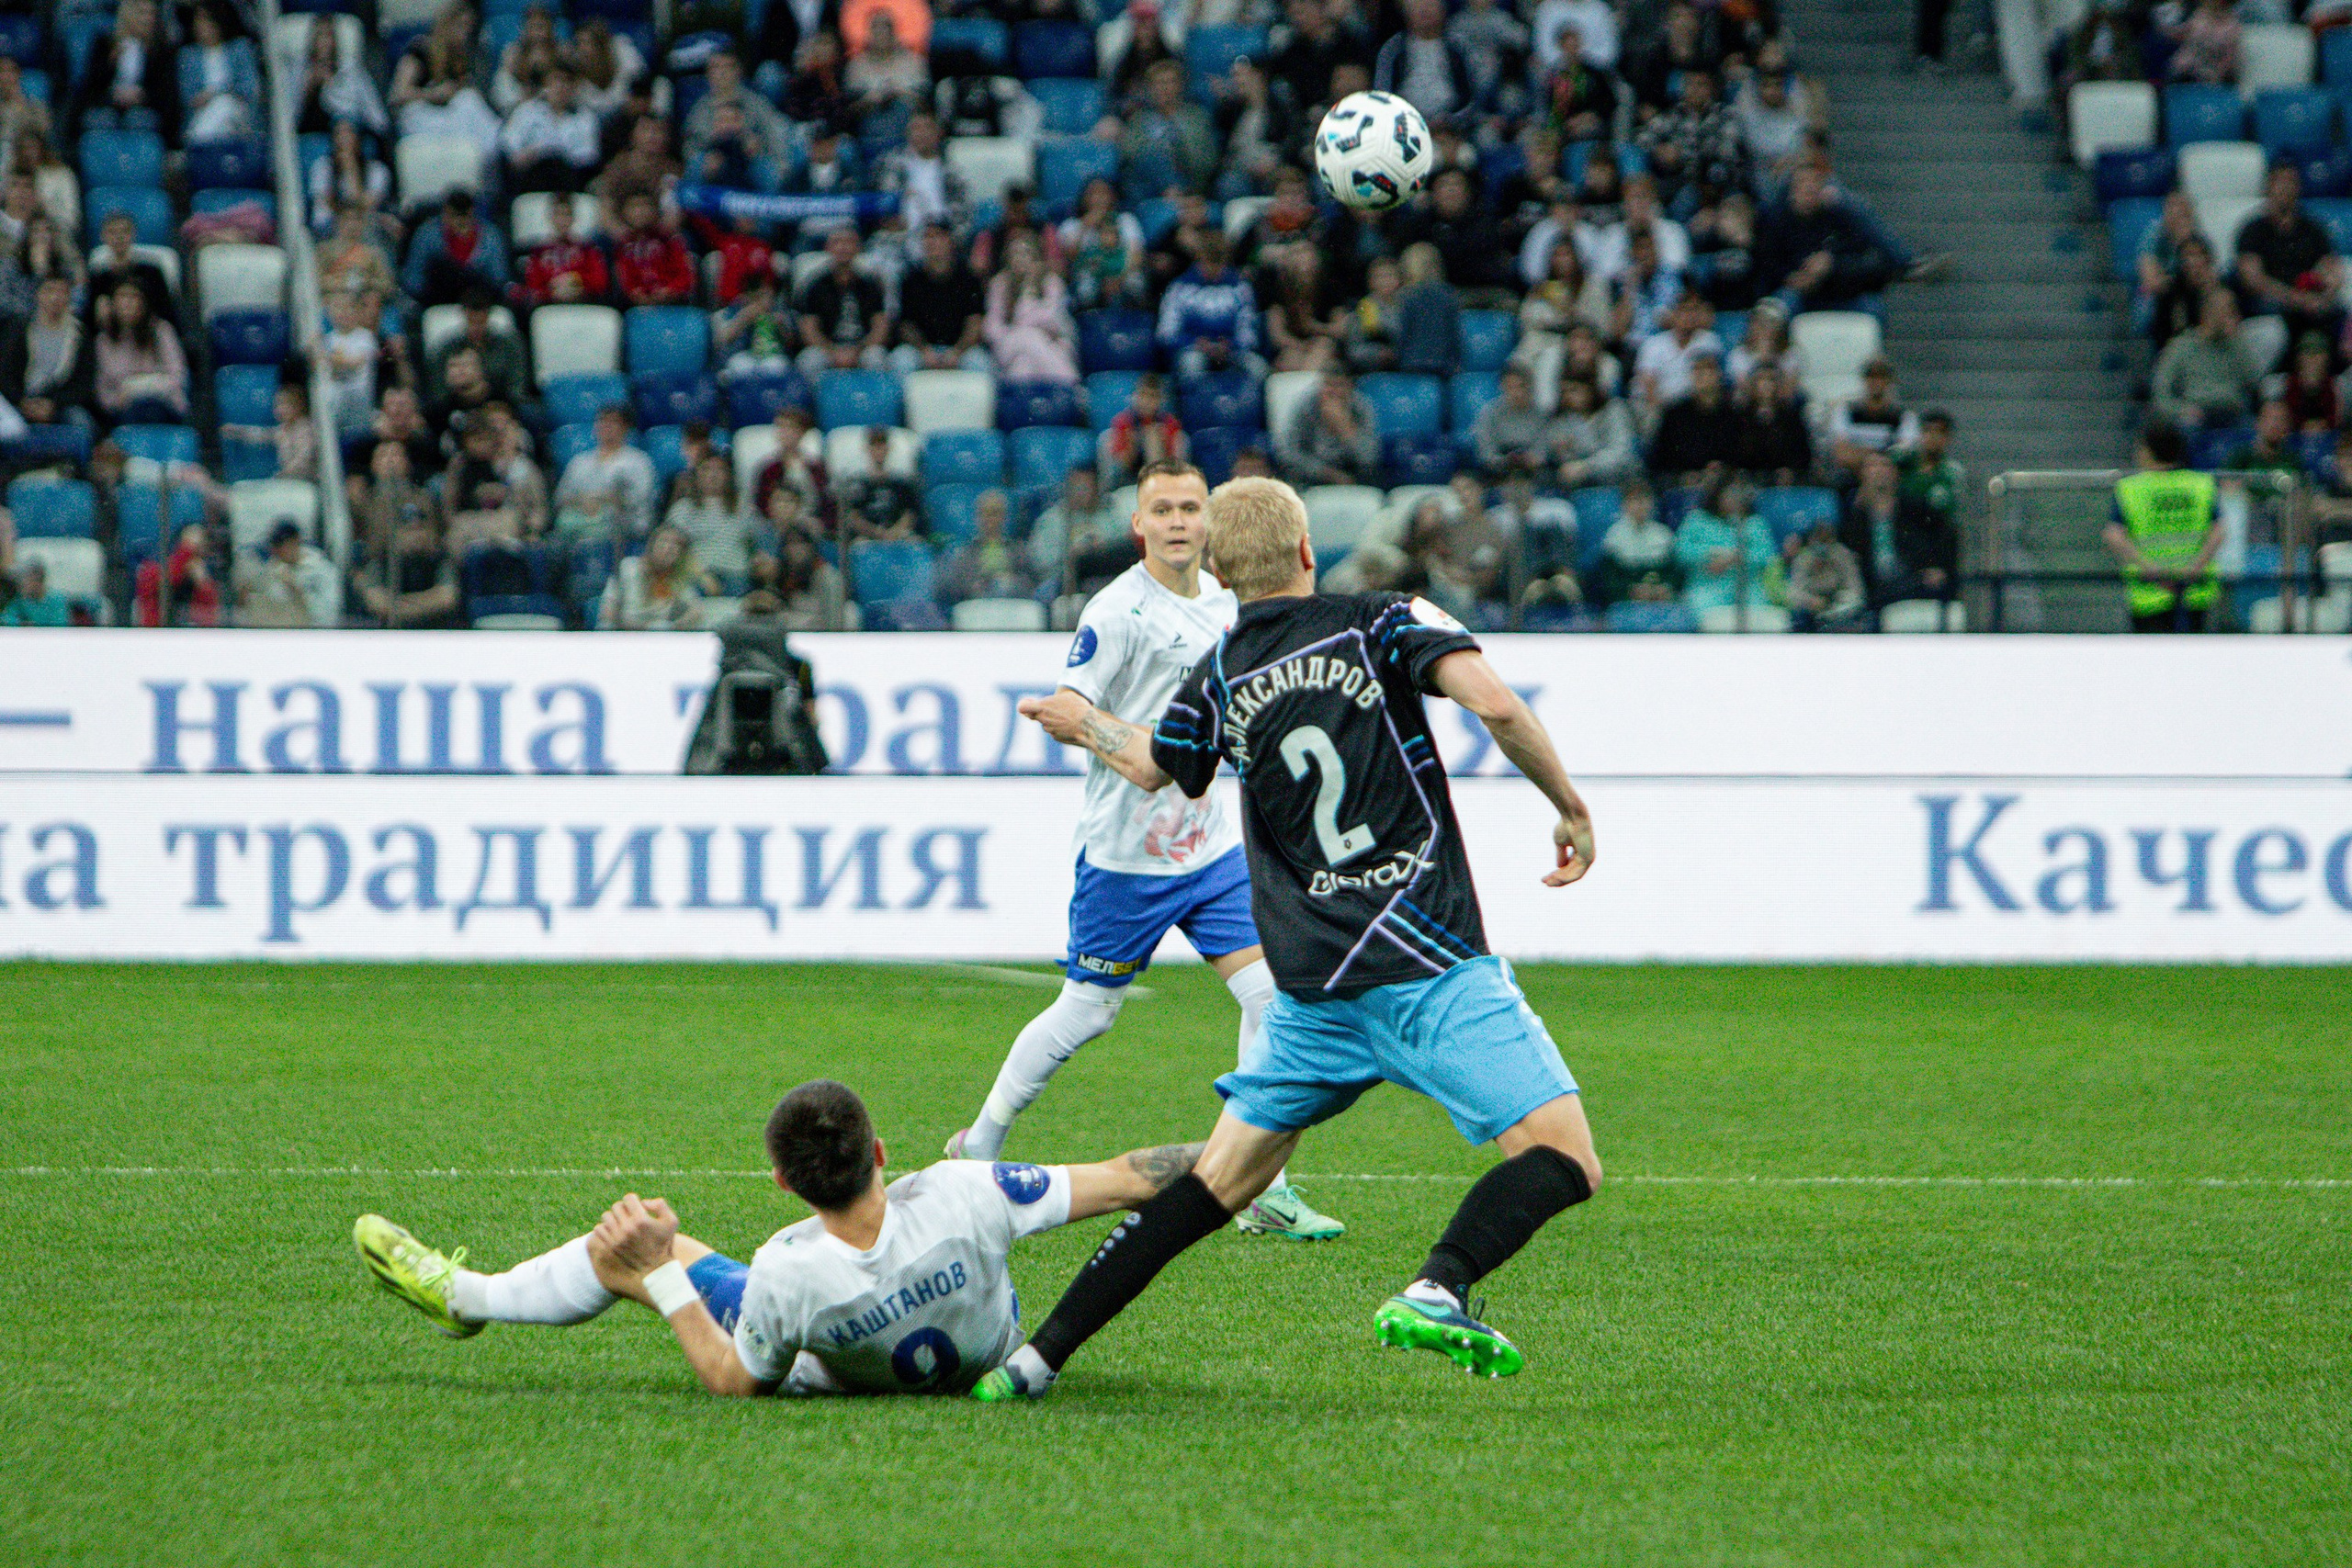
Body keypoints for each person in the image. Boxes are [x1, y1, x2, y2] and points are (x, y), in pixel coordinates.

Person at [987, 474, 1598, 1401]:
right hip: (1425, 959)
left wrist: (1085, 723)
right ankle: (1439, 1284)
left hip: (1311, 992)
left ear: (1223, 576)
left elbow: (1153, 766)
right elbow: (1497, 707)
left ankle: (1034, 1361)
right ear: (1309, 552)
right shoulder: (1380, 619)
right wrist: (1569, 806)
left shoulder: (1220, 673)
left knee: (1213, 1186)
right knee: (1561, 1155)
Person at [944, 461, 1344, 1245]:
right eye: (1161, 509)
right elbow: (1072, 702)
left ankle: (1265, 1183)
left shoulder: (1231, 601)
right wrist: (1090, 727)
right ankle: (980, 1141)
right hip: (1127, 857)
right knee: (1086, 1013)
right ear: (1138, 525)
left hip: (1211, 849)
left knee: (1273, 998)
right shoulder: (1118, 608)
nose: (1177, 522)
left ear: (1209, 521)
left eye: (1191, 508)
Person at [353, 1079, 1218, 1396]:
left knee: (628, 1246)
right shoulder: (963, 1191)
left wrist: (660, 1275)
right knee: (657, 1251)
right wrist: (1243, 1150)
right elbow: (1130, 1176)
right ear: (881, 1153)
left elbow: (735, 1380)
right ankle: (473, 1296)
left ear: (784, 1183)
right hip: (986, 1355)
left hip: (834, 1362)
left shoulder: (785, 1271)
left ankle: (466, 1298)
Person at [2107, 422, 2222, 634]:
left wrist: (2150, 570)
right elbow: (2219, 530)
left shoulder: (2131, 487)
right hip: (2195, 588)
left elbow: (2113, 535)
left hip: (2149, 590)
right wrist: (2194, 568)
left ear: (2148, 451)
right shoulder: (2202, 483)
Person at [2232, 164, 2340, 372]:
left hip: (2308, 299)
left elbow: (2332, 270)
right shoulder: (2253, 229)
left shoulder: (2314, 229)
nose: (2284, 187)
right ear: (2268, 187)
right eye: (2278, 181)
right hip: (2271, 301)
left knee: (2338, 312)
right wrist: (2295, 299)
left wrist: (2325, 295)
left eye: (2290, 181)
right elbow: (2253, 279)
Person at [2149, 288, 2261, 432]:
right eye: (2227, 311)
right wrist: (2181, 409)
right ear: (2208, 313)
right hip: (2198, 411)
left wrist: (2238, 341)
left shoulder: (2236, 344)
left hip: (2232, 411)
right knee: (2185, 428)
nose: (2235, 316)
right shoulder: (2182, 346)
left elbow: (2252, 382)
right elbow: (2160, 394)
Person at [1158, 232, 1262, 379]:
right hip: (1193, 350)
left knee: (1257, 367)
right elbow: (1166, 333)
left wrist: (1230, 345)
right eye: (1208, 261)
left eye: (1218, 261)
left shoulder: (1240, 287)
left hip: (1232, 350)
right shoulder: (1180, 287)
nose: (1213, 268)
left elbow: (1249, 332)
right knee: (1192, 364)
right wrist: (1196, 344)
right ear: (1199, 258)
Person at [0, 276, 95, 434]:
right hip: (19, 402)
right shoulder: (18, 329)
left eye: (62, 292)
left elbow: (83, 383)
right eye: (49, 290)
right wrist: (22, 402)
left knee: (81, 421)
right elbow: (5, 373)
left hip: (60, 405)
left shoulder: (81, 334)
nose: (55, 297)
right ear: (38, 295)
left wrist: (53, 404)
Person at [796, 227, 893, 378]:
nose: (843, 247)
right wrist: (832, 352)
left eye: (849, 242)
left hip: (863, 347)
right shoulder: (814, 285)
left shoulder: (870, 284)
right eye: (837, 242)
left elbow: (880, 327)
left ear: (858, 248)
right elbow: (809, 329)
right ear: (828, 248)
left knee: (876, 358)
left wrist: (857, 351)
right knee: (809, 360)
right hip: (827, 347)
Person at [1676, 475, 1779, 617]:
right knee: (1706, 618)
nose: (1735, 498)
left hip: (1747, 589)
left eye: (1740, 494)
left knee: (1759, 618)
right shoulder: (1697, 519)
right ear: (1718, 494)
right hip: (1707, 587)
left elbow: (1766, 556)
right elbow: (1681, 552)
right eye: (1730, 493)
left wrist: (1735, 557)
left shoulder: (1755, 523)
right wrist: (1711, 554)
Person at [982, 231, 1078, 383]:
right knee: (1028, 337)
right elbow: (991, 327)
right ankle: (1070, 384)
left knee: (1022, 367)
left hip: (1050, 343)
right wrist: (1018, 332)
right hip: (1010, 345)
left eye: (1025, 253)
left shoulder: (1052, 282)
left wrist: (1029, 286)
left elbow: (1052, 319)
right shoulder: (999, 284)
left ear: (1036, 258)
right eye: (1015, 254)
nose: (1020, 259)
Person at [895, 221, 988, 374]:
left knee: (980, 364)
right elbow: (906, 325)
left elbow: (975, 322)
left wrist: (957, 351)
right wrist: (924, 350)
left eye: (938, 236)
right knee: (901, 361)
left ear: (950, 241)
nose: (932, 242)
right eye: (927, 237)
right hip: (922, 349)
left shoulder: (968, 278)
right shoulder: (910, 279)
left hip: (961, 349)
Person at [553, 404, 658, 540]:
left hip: (623, 528)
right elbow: (561, 498)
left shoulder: (639, 461)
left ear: (626, 427)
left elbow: (639, 499)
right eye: (602, 421)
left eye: (613, 422)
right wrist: (582, 501)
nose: (606, 426)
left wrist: (603, 499)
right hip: (579, 524)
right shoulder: (579, 462)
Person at [94, 278, 188, 425]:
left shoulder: (162, 331)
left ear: (143, 302)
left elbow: (178, 377)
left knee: (148, 409)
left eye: (133, 297)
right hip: (123, 411)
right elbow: (104, 391)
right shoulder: (104, 340)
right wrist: (117, 400)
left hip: (163, 405)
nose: (127, 302)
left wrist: (134, 387)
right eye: (122, 297)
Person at [1279, 368, 1380, 487]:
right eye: (1328, 385)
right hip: (1312, 475)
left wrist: (1344, 428)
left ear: (1350, 387)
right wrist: (1326, 473)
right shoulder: (1306, 406)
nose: (1333, 392)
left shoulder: (1361, 408)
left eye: (1339, 385)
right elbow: (1287, 452)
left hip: (1353, 474)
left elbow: (1370, 458)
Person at [236, 520, 341, 627]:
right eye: (274, 546)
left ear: (295, 541)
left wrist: (298, 590)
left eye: (280, 545)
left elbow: (329, 617)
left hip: (311, 637)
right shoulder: (272, 568)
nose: (276, 551)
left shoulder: (323, 570)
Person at [937, 490, 1035, 603]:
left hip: (1011, 597)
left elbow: (1030, 581)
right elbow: (960, 583)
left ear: (1003, 517)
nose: (990, 519)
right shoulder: (966, 552)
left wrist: (1010, 580)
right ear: (978, 517)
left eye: (995, 513)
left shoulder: (1018, 549)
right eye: (986, 514)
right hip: (979, 600)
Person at [1782, 519, 1865, 632]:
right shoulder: (1802, 558)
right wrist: (1811, 601)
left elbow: (1856, 589)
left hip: (1837, 605)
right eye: (1819, 539)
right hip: (1811, 606)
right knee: (1797, 617)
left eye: (1826, 539)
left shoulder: (1843, 555)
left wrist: (1836, 603)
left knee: (1857, 613)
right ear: (1811, 540)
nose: (1823, 544)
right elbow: (1793, 592)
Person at [0, 559, 69, 626]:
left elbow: (60, 625)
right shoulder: (21, 599)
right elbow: (6, 618)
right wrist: (21, 623)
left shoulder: (56, 600)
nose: (23, 583)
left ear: (38, 581)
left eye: (27, 579)